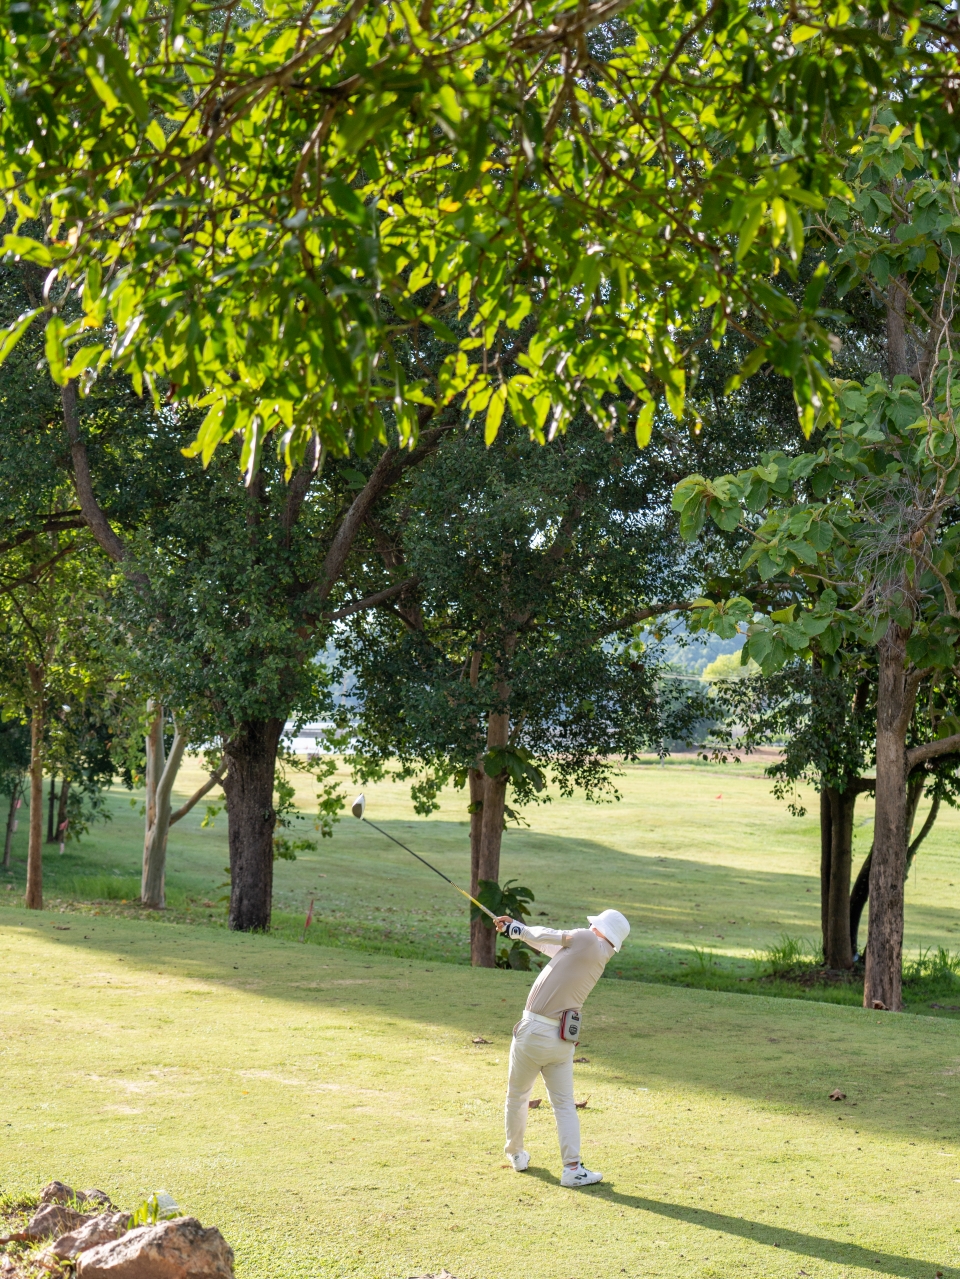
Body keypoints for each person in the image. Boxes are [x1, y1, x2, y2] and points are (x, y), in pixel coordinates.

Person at [493, 907, 630, 1188]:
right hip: (561, 1040)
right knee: (565, 1105)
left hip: (534, 1032)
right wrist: (518, 932)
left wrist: (515, 928)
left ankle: (516, 1154)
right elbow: (547, 944)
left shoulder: (586, 939)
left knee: (517, 1096)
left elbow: (551, 935)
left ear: (600, 929)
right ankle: (572, 1169)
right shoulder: (596, 954)